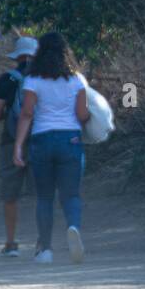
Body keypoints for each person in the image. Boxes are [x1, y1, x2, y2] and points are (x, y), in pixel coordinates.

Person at [12, 32, 90, 265]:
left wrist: (18, 146)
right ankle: (73, 228)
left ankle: (45, 249)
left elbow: (26, 114)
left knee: (44, 197)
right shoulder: (76, 80)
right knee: (71, 195)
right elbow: (82, 115)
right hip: (70, 141)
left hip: (42, 140)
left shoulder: (33, 81)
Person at [0, 35, 37, 256]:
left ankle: (11, 243)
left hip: (10, 143)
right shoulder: (45, 78)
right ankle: (42, 242)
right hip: (39, 140)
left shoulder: (7, 79)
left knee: (10, 194)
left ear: (17, 57)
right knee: (42, 193)